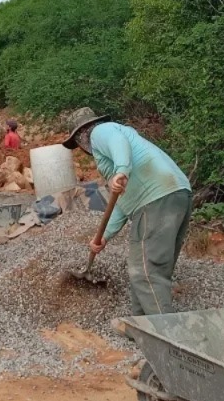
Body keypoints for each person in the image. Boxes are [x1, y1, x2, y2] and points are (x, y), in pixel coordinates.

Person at [62, 108, 192, 316]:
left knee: (146, 273)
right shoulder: (126, 140)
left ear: (81, 135)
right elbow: (123, 203)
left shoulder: (100, 131)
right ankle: (139, 325)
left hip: (154, 199)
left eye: (77, 143)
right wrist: (103, 237)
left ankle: (166, 332)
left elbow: (117, 141)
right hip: (177, 194)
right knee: (148, 272)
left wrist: (121, 170)